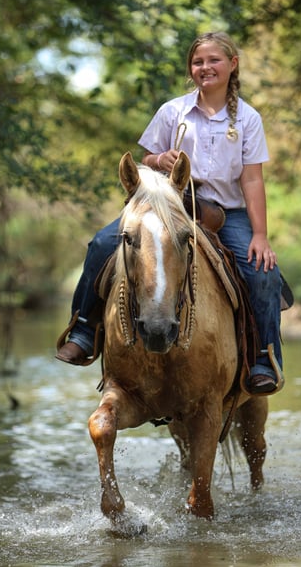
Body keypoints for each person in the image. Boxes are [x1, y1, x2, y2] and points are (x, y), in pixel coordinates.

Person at [56, 32, 283, 395]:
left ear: (232, 64)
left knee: (263, 274)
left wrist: (260, 235)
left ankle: (262, 357)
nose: (205, 67)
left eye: (214, 60)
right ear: (190, 69)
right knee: (101, 244)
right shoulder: (172, 111)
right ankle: (84, 329)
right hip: (170, 205)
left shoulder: (248, 120)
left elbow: (252, 180)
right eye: (198, 62)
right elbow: (146, 158)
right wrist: (159, 159)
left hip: (227, 212)